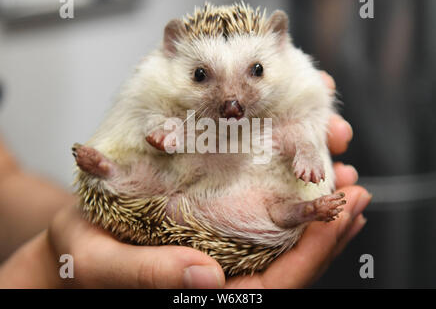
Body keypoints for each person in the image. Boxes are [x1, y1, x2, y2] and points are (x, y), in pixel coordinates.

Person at [0, 72, 371, 288]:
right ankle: (116, 174)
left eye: (255, 70)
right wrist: (48, 266)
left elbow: (4, 178)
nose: (232, 98)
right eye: (202, 75)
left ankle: (302, 209)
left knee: (272, 194)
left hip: (214, 200)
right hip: (190, 191)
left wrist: (77, 231)